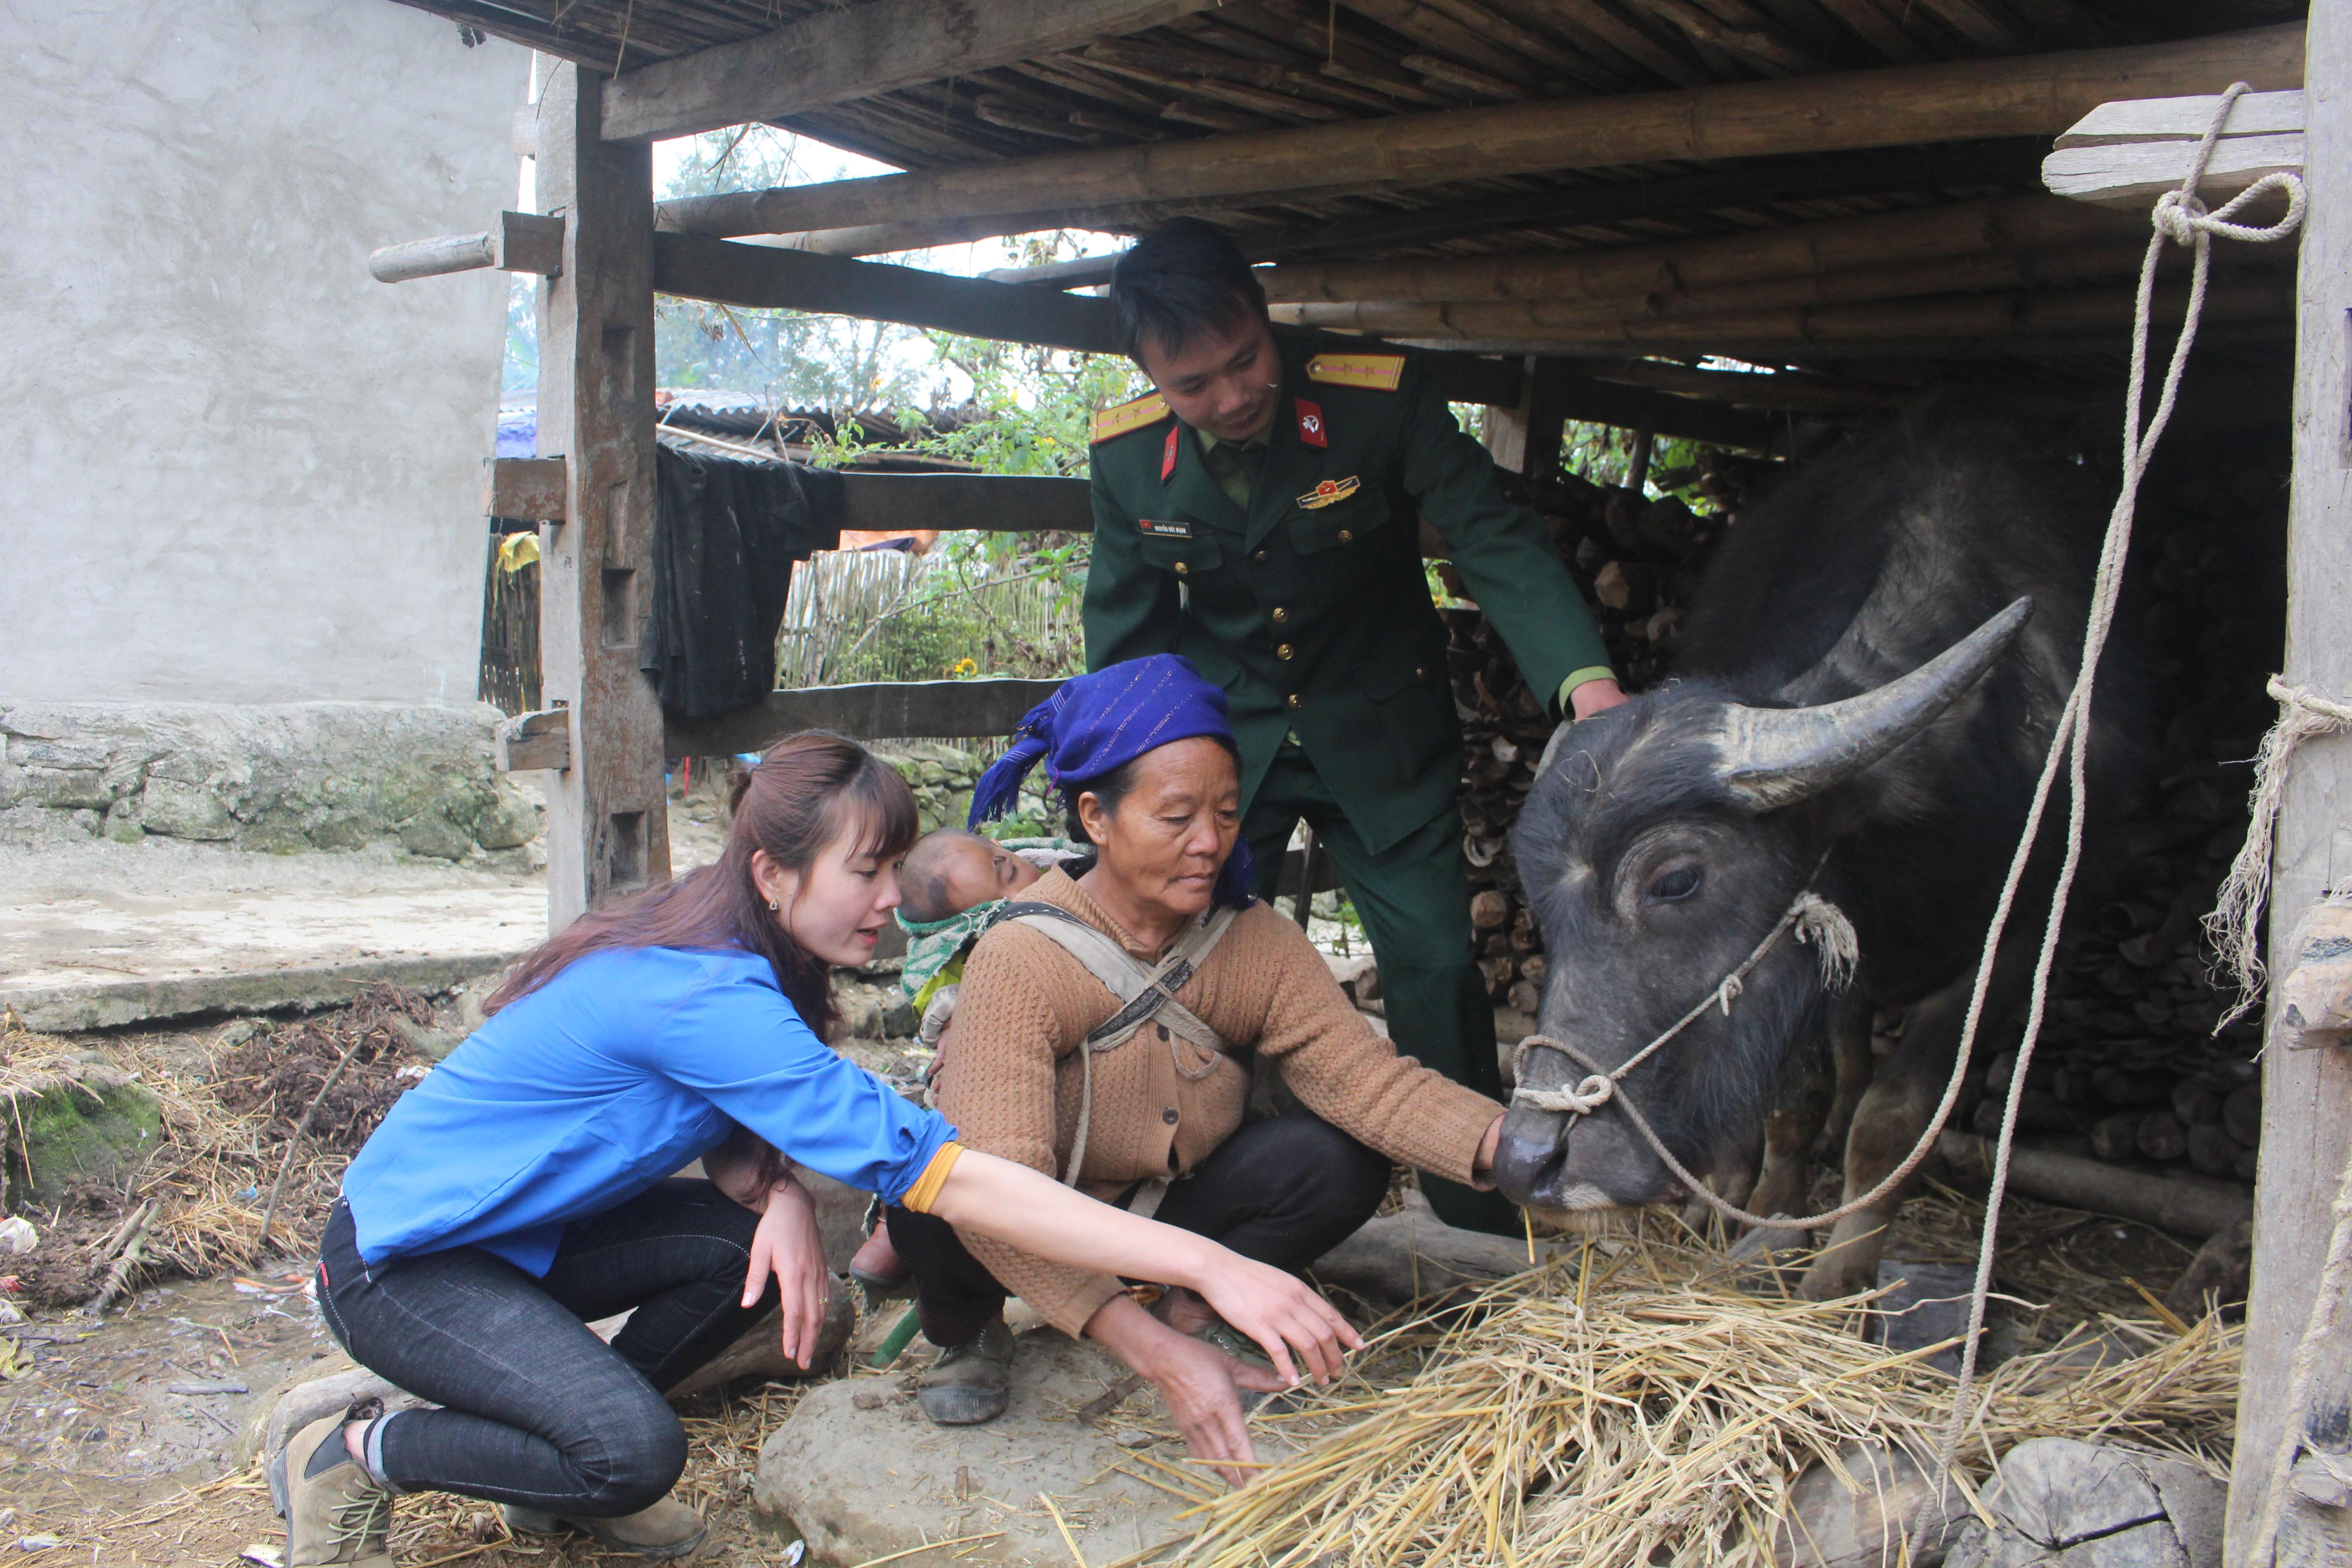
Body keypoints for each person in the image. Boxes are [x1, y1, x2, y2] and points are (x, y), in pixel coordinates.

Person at [283, 731, 1359, 1568]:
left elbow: (722, 1128)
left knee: (750, 1275)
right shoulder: (704, 993)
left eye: (895, 866)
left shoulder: (738, 951)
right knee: (636, 1452)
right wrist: (1210, 1262)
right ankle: (361, 1452)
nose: (895, 901)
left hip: (521, 1236)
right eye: (869, 871)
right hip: (402, 1262)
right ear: (772, 874)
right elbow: (962, 1174)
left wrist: (783, 1194)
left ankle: (546, 1458)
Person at [1084, 219, 1629, 1234]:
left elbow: (1490, 531)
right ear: (1154, 377)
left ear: (1265, 316)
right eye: (1193, 385)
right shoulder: (1128, 462)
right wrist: (1122, 776)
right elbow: (1126, 635)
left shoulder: (1378, 399)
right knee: (1186, 964)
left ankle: (1474, 1211)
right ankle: (1204, 1185)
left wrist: (1584, 683)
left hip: (1380, 736)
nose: (1233, 396)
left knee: (1434, 964)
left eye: (1245, 359)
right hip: (1222, 756)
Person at [885, 656, 1510, 1486]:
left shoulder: (1255, 945)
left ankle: (1197, 1304)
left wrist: (1512, 1146)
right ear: (1095, 818)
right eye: (1176, 815)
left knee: (1338, 1158)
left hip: (1174, 1215)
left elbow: (1368, 1084)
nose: (1211, 842)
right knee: (932, 1182)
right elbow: (1002, 1193)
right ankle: (967, 1328)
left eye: (1223, 811)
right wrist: (1134, 1341)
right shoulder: (1021, 958)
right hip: (1033, 1217)